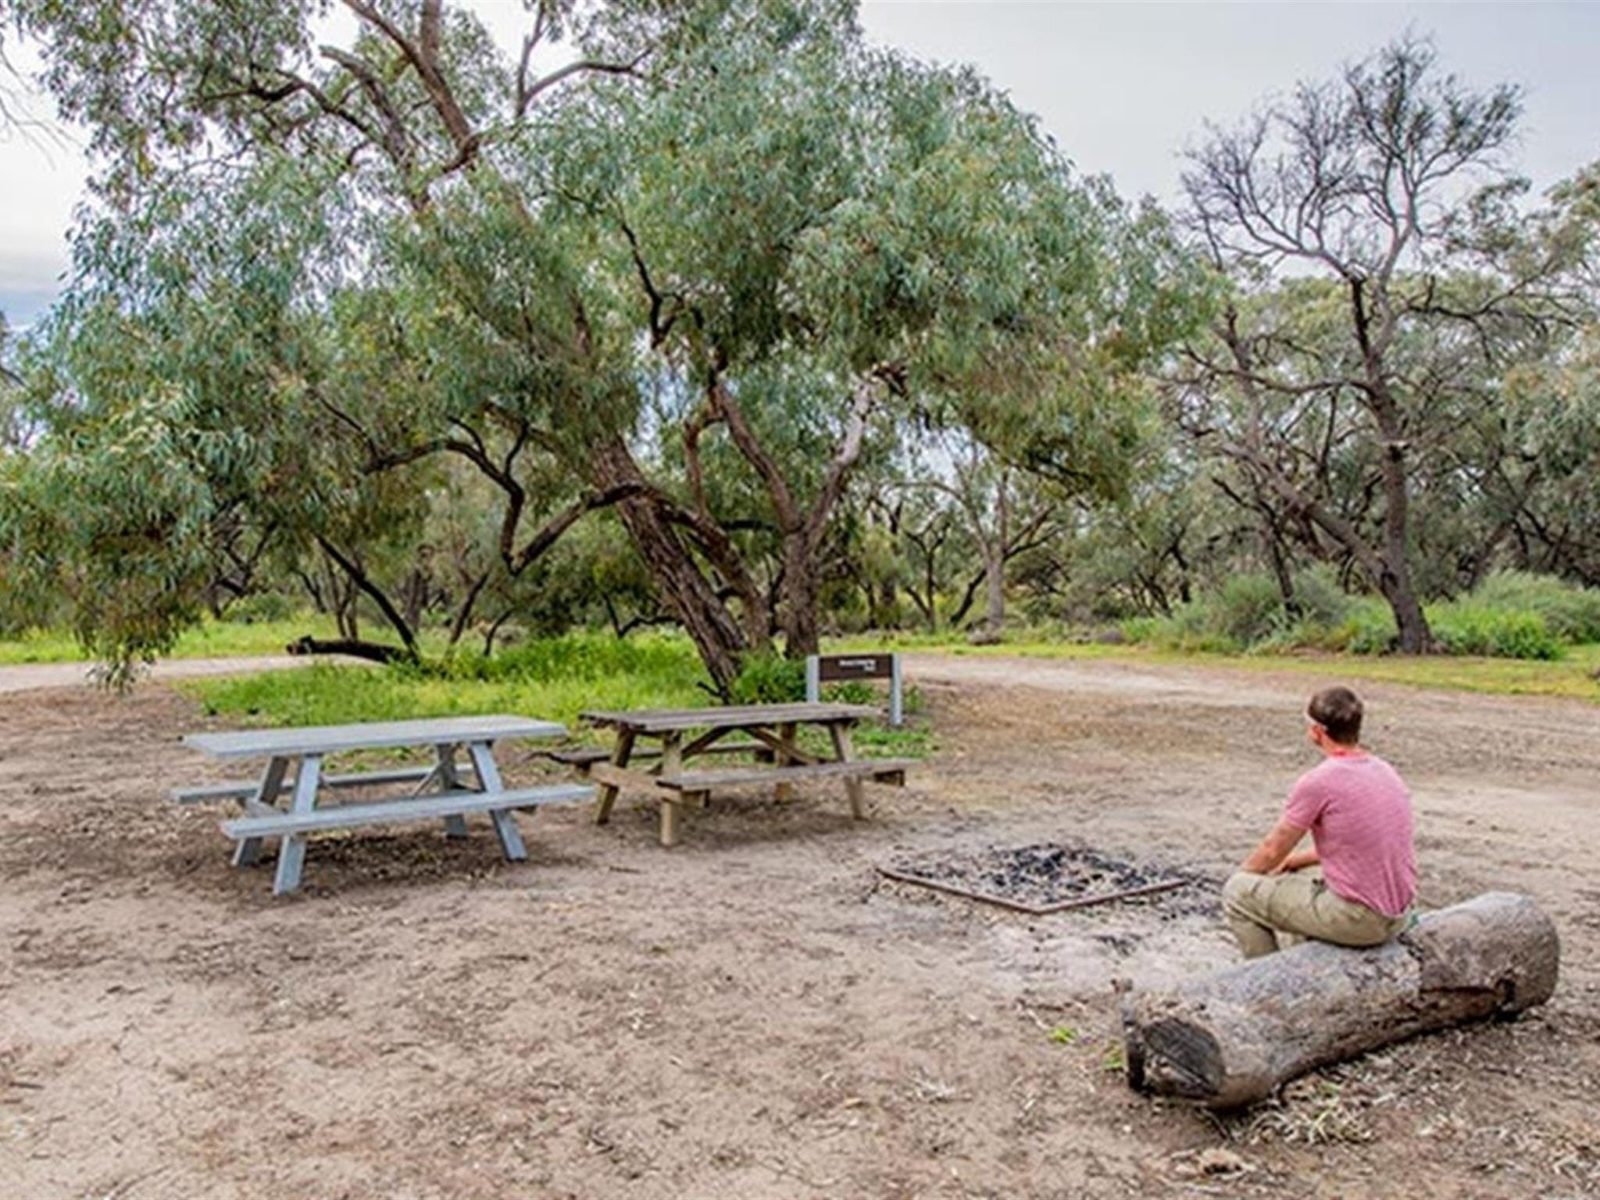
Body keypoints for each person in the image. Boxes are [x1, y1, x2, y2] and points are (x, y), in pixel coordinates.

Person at [1222, 686, 1416, 959]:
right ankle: (1303, 959)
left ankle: (1268, 976)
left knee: (1237, 894)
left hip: (1362, 921)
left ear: (1316, 730)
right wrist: (1294, 861)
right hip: (1399, 914)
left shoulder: (1320, 781)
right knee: (1294, 877)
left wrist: (1245, 877)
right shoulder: (1384, 770)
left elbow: (1273, 849)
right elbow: (1360, 843)